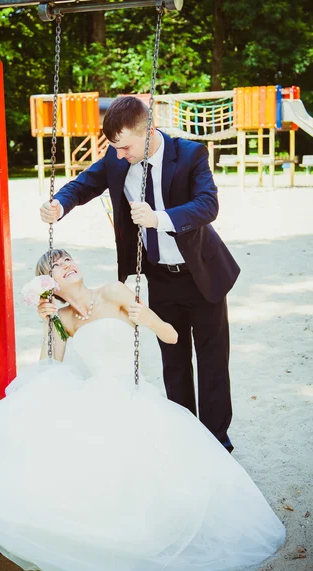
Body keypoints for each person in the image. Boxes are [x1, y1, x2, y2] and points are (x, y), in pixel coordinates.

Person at [0, 249, 285, 571]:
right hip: (91, 394)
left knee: (94, 474)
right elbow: (48, 370)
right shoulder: (62, 319)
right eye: (55, 265)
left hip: (130, 397)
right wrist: (48, 325)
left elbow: (171, 335)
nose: (65, 264)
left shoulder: (112, 291)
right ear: (48, 285)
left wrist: (149, 319)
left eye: (67, 259)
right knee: (31, 434)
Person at [40, 96, 240, 453]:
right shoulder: (117, 160)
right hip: (159, 278)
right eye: (114, 148)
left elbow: (208, 204)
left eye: (125, 146)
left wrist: (160, 219)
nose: (119, 155)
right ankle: (184, 438)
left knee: (212, 363)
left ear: (148, 130)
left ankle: (217, 444)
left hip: (203, 275)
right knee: (173, 363)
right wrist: (60, 204)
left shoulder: (191, 154)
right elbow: (84, 184)